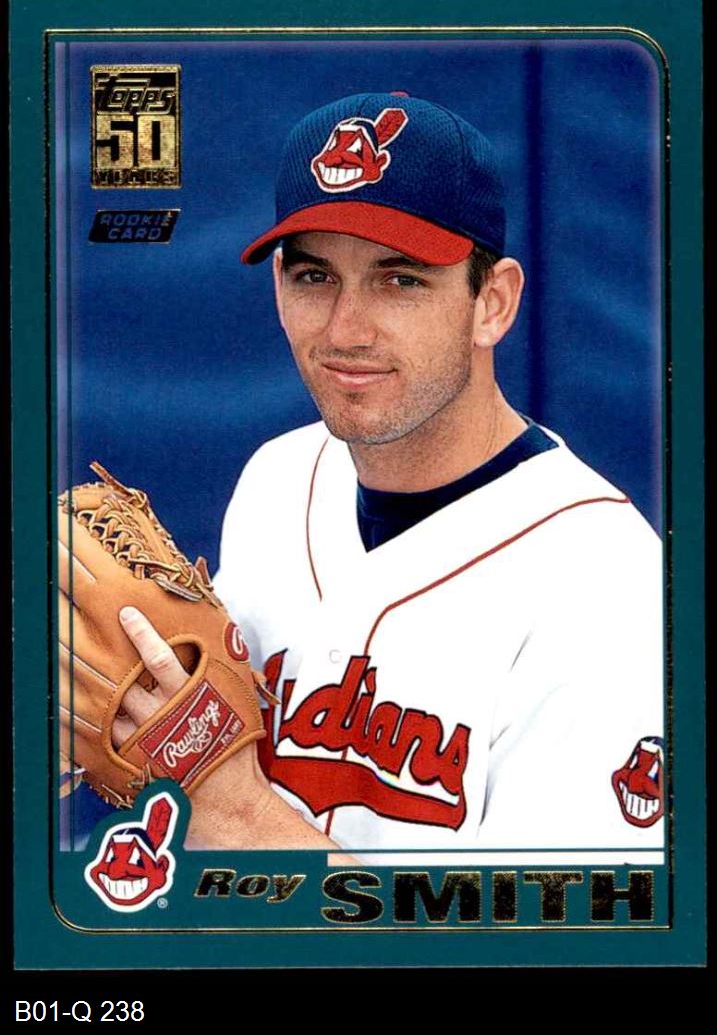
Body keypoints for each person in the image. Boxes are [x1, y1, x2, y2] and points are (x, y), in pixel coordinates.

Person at [113, 92, 664, 857]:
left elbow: (548, 927)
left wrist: (229, 811)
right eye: (314, 277)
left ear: (492, 302)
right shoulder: (277, 478)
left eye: (399, 280)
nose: (346, 330)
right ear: (278, 288)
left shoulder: (606, 583)